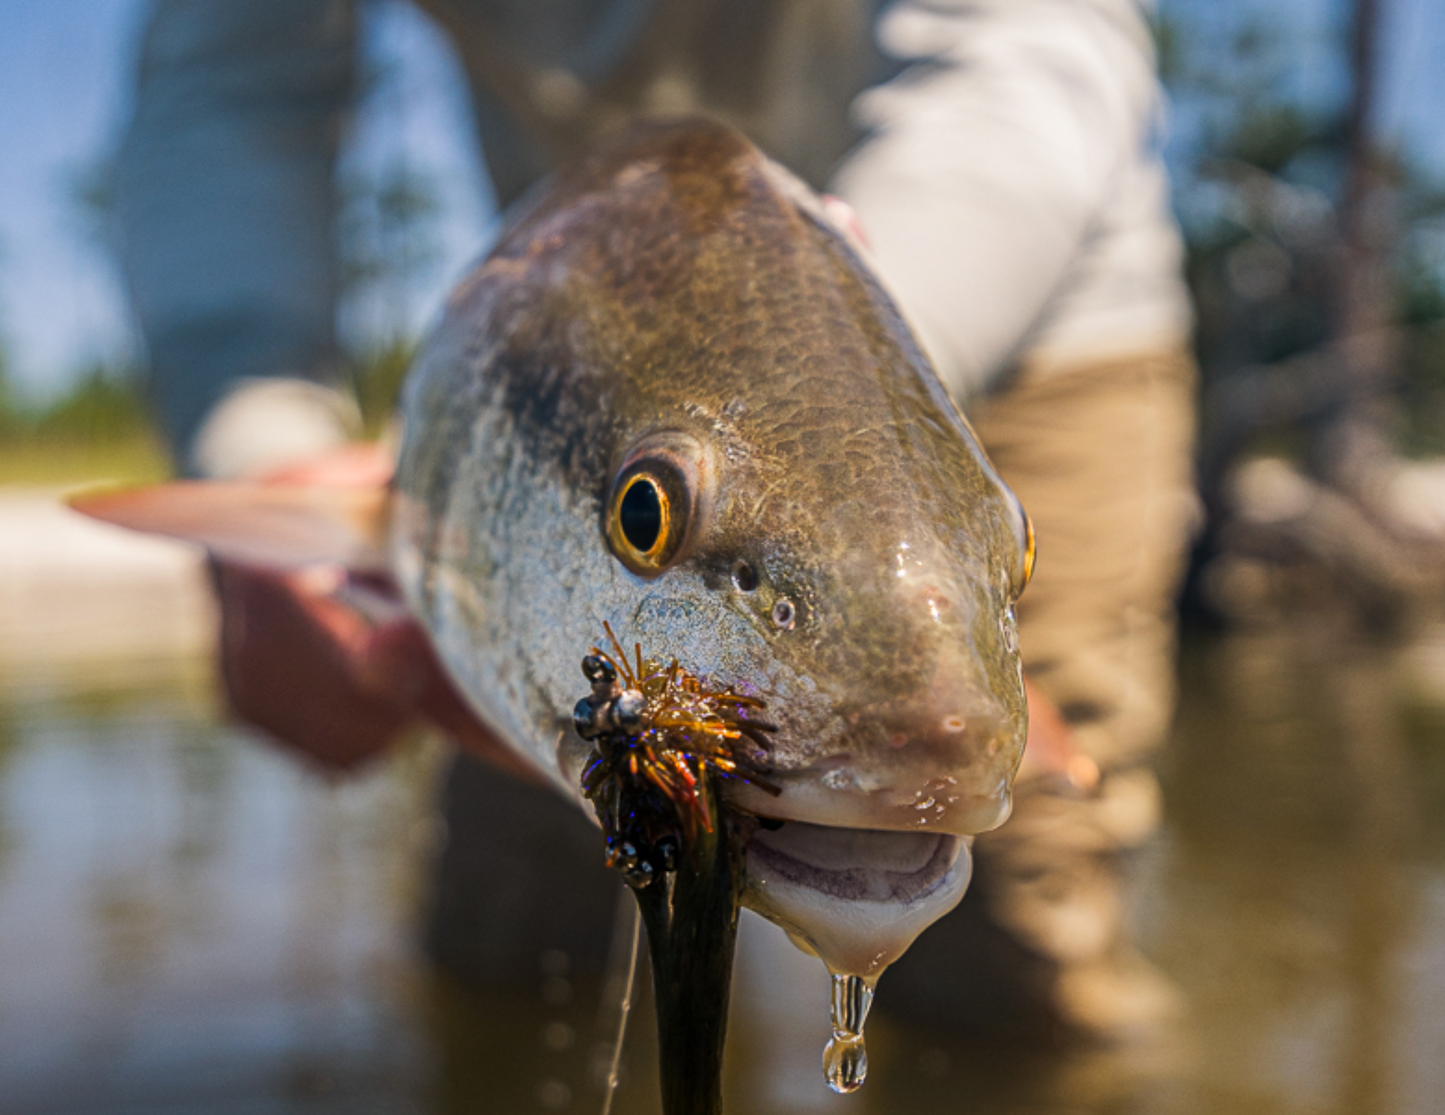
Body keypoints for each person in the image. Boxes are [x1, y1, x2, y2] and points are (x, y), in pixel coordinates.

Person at [115, 0, 1197, 1043]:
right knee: (512, 946)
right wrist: (258, 446)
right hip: (577, 331)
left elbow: (1026, 36)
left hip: (1013, 273)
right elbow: (234, 77)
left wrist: (858, 345)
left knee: (1018, 939)